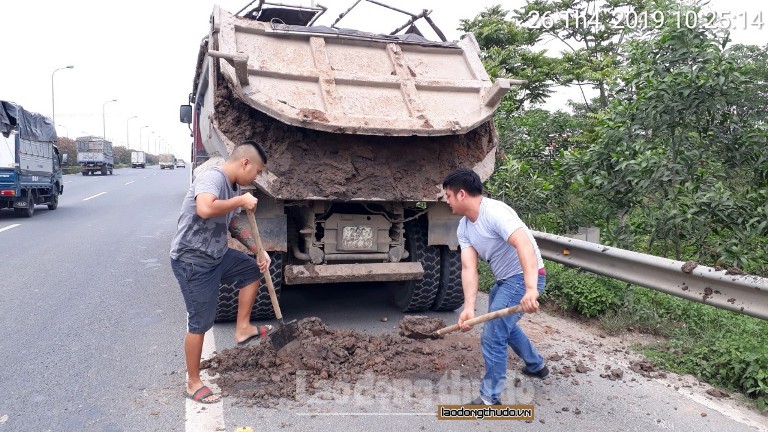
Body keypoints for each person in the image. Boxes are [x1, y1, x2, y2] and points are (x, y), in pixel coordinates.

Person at [170, 141, 273, 404]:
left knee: (251, 271)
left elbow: (234, 223)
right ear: (245, 163)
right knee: (200, 322)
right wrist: (240, 200)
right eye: (257, 172)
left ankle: (243, 328)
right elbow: (205, 209)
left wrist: (258, 250)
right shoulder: (212, 178)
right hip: (193, 260)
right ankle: (193, 383)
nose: (256, 178)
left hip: (217, 255)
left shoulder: (235, 186)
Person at [441, 168, 548, 406]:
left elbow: (524, 245)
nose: (446, 201)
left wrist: (531, 289)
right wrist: (469, 308)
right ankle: (536, 365)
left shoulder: (495, 212)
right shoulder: (464, 227)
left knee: (493, 334)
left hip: (524, 277)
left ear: (460, 194)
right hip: (505, 281)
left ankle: (489, 397)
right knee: (503, 328)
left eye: (447, 195)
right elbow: (469, 268)